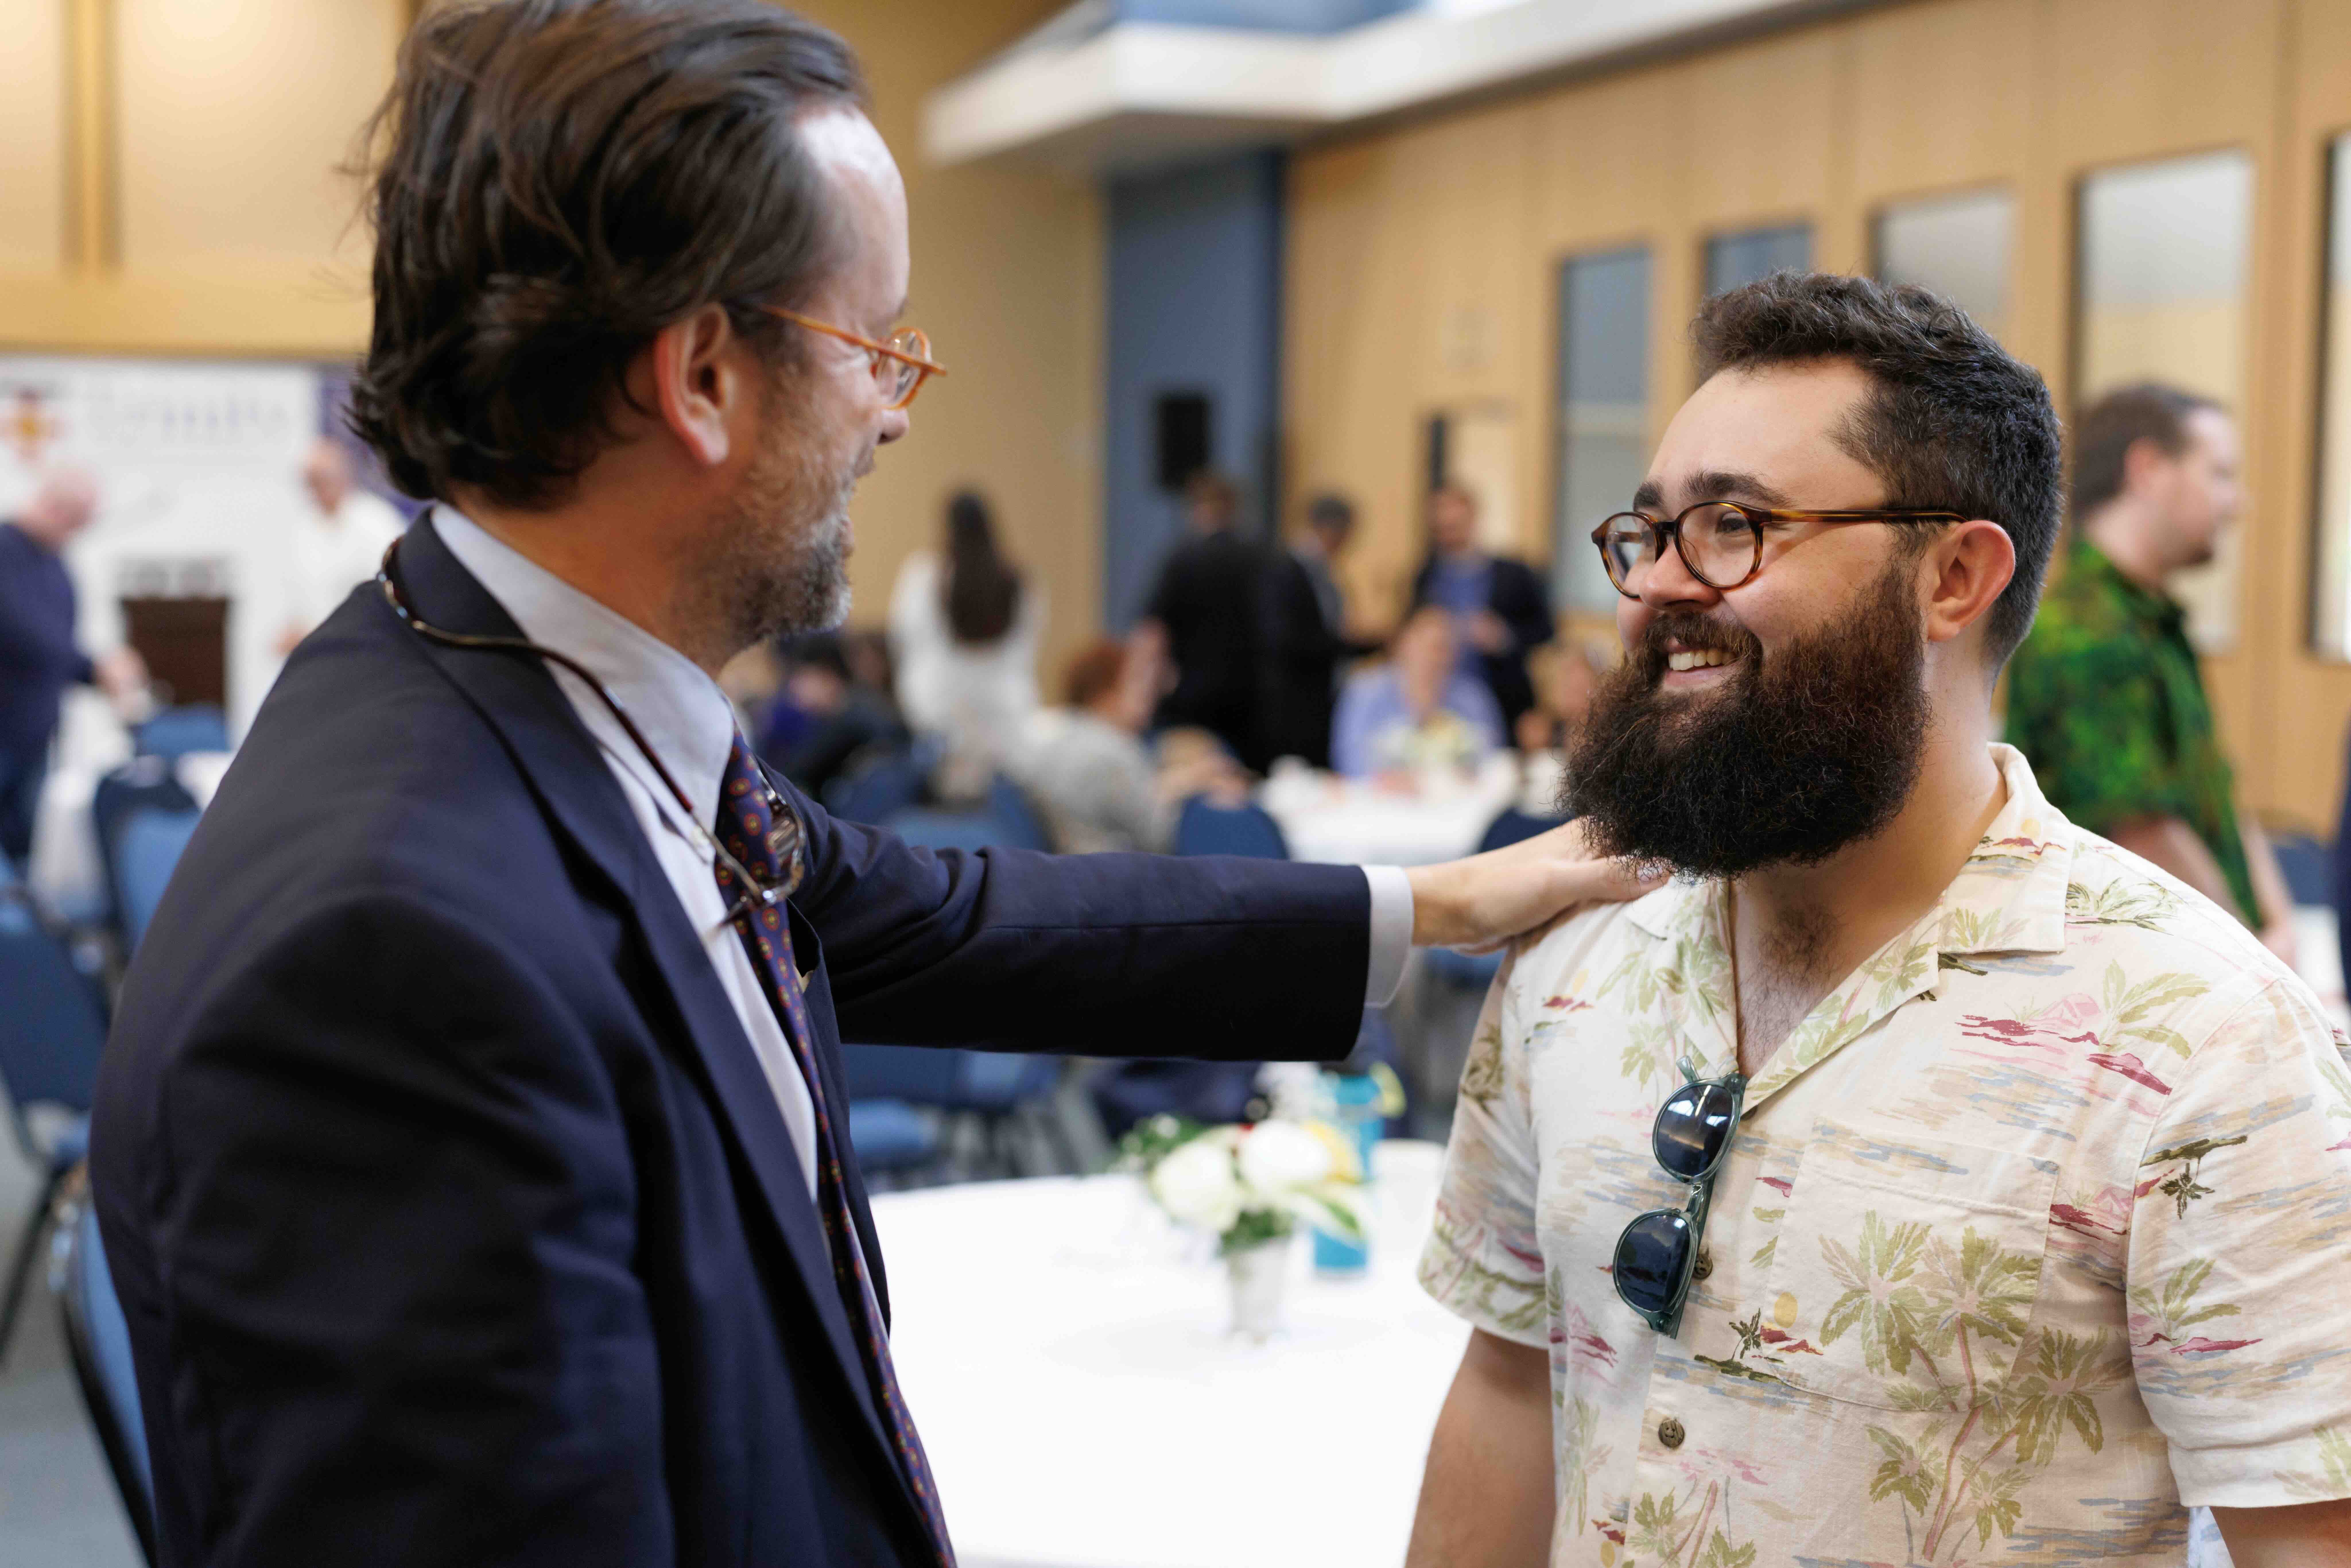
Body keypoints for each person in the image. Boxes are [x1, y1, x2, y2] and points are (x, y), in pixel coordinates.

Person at [88, 6, 1645, 1566]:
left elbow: (958, 917)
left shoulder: (533, 704)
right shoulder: (395, 954)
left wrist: (1438, 899)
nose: (897, 409)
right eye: (874, 347)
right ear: (702, 372)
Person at [1407, 273, 2351, 1567]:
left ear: (1953, 575)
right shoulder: (1576, 953)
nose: (1658, 589)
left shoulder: (2207, 1042)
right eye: (1649, 531)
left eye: (1734, 525)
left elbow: (2304, 1534)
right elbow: (1512, 1389)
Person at [2005, 385, 2297, 966]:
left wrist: (2279, 922)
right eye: (2219, 474)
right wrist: (2259, 966)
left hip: (2213, 956)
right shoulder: (2085, 631)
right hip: (2141, 973)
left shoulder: (2153, 621)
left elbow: (2214, 790)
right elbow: (2143, 831)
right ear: (2148, 470)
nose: (2236, 501)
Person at [0, 468, 144, 866]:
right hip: (5, 732)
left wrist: (100, 670)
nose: (75, 536)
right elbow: (23, 634)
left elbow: (58, 647)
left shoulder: (54, 564)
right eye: (77, 524)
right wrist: (95, 667)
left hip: (35, 736)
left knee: (23, 851)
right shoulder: (6, 552)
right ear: (59, 510)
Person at [1017, 639, 1244, 853]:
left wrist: (1182, 781)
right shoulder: (1112, 752)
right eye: (1135, 682)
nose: (1146, 694)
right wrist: (1198, 795)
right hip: (1112, 875)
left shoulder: (1063, 735)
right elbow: (1160, 836)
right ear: (1106, 695)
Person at [887, 488, 1040, 793]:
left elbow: (902, 637)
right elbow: (1025, 650)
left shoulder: (924, 574)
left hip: (937, 715)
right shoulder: (1020, 579)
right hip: (1006, 718)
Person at [1140, 470, 1268, 768]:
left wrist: (1146, 690)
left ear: (1196, 508)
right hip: (1252, 696)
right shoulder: (1262, 559)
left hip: (1193, 694)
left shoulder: (1183, 559)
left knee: (1198, 773)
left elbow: (1154, 631)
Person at [1409, 482, 1554, 732]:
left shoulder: (1512, 574)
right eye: (1441, 528)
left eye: (1454, 525)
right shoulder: (1426, 576)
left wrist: (1504, 637)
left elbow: (1547, 629)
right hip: (1444, 697)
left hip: (1502, 698)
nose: (1448, 534)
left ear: (1473, 518)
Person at [1263, 490, 1379, 767]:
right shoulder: (1286, 571)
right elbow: (1289, 639)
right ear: (1331, 529)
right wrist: (1358, 645)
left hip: (1325, 694)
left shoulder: (1326, 573)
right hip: (1296, 702)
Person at [1330, 604, 1504, 780]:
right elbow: (1348, 762)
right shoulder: (1364, 692)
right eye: (1429, 646)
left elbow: (1493, 758)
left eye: (1445, 647)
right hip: (1383, 802)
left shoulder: (1473, 697)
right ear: (1401, 643)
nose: (1435, 658)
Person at [276, 436, 408, 655]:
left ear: (344, 477)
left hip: (367, 649)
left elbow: (389, 593)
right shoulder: (304, 529)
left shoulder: (376, 522)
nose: (315, 490)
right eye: (310, 482)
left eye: (321, 480)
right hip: (318, 654)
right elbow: (298, 597)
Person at [756, 631, 908, 799]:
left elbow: (793, 774)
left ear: (826, 676)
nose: (794, 688)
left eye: (802, 677)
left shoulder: (850, 722)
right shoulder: (859, 709)